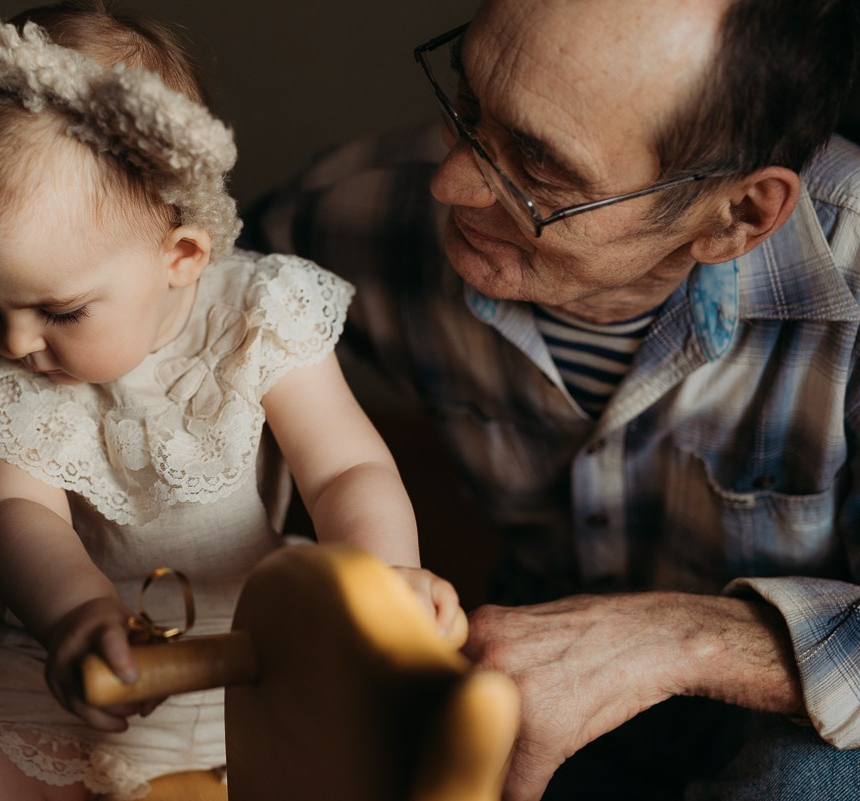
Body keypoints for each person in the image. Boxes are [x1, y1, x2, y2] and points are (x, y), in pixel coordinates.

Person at [245, 0, 860, 799]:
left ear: (738, 215)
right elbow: (168, 311)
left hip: (795, 712)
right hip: (526, 655)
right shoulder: (359, 217)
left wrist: (686, 642)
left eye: (537, 167)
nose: (451, 182)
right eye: (467, 107)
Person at [0, 0, 461, 799]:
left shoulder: (257, 316)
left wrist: (386, 579)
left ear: (180, 256)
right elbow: (17, 514)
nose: (11, 338)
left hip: (258, 634)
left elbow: (346, 467)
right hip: (55, 648)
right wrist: (73, 616)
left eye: (59, 310)